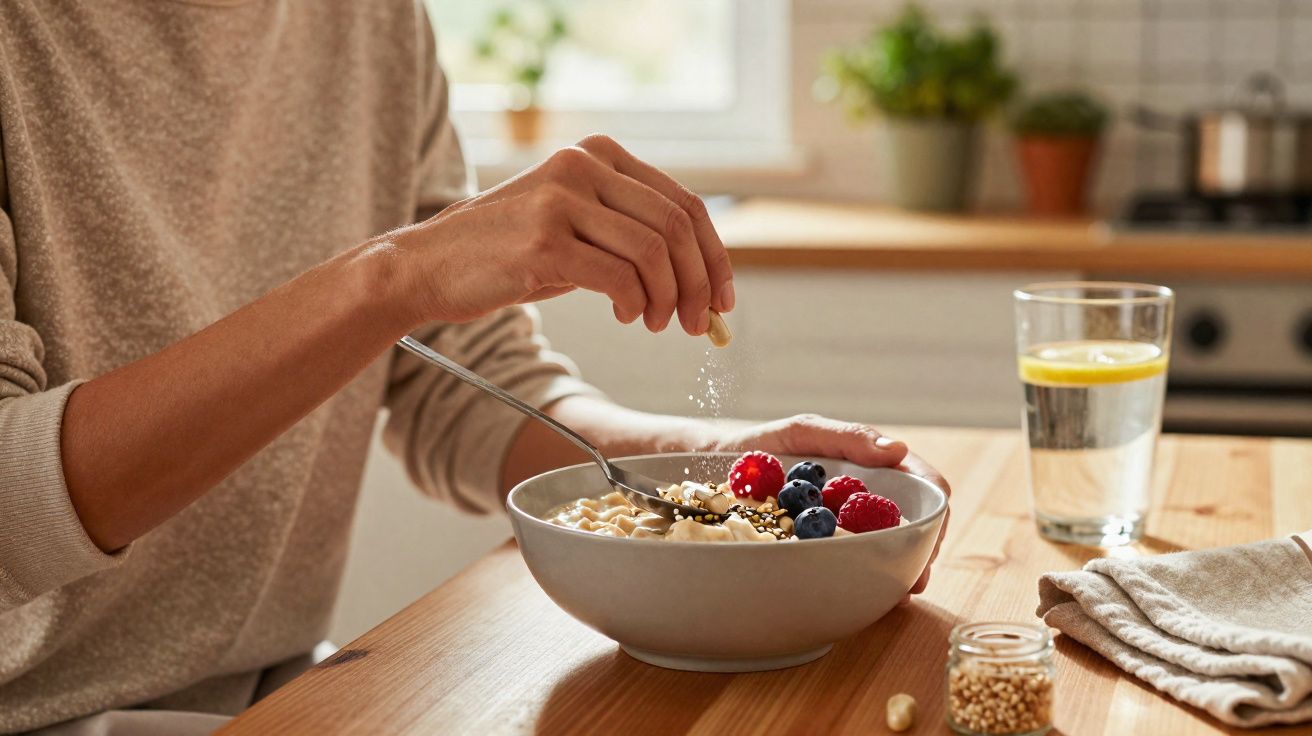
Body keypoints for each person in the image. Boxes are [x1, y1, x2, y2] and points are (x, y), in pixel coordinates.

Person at [0, 2, 949, 733]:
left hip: (283, 695)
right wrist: (395, 275)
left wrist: (715, 470)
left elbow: (465, 381)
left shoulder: (371, 21)